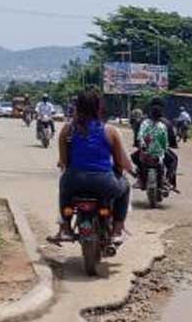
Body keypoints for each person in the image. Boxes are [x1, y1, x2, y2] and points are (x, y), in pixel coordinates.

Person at [52, 88, 133, 243]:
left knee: (64, 190)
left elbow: (64, 162)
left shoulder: (67, 130)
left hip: (74, 181)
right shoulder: (110, 131)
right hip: (105, 183)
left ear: (77, 106)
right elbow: (119, 162)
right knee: (126, 187)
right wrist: (122, 172)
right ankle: (117, 230)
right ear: (99, 107)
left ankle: (66, 229)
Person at [135, 98, 178, 189]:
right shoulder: (167, 123)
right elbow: (171, 141)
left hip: (145, 152)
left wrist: (139, 145)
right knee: (174, 160)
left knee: (135, 157)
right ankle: (168, 180)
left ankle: (140, 178)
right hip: (160, 152)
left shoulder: (142, 122)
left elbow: (137, 139)